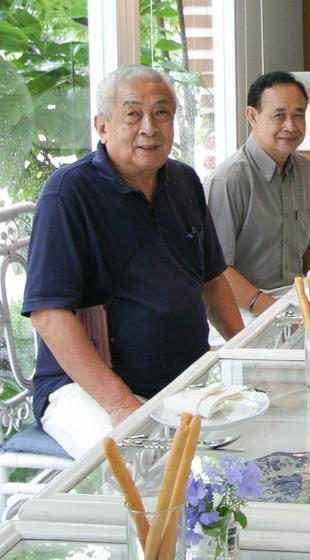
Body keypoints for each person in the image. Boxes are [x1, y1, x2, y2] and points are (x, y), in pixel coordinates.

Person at [22, 65, 243, 459]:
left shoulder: (184, 181)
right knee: (138, 462)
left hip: (181, 381)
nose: (150, 128)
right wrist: (121, 403)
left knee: (249, 441)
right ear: (102, 126)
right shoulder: (69, 194)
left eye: (162, 113)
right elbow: (49, 316)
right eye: (133, 114)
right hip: (86, 387)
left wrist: (246, 355)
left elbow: (213, 281)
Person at [204, 71, 310, 318]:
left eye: (298, 115)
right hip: (243, 309)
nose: (290, 126)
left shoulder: (306, 170)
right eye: (279, 115)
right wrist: (273, 310)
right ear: (253, 116)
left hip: (295, 302)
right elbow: (217, 271)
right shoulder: (228, 180)